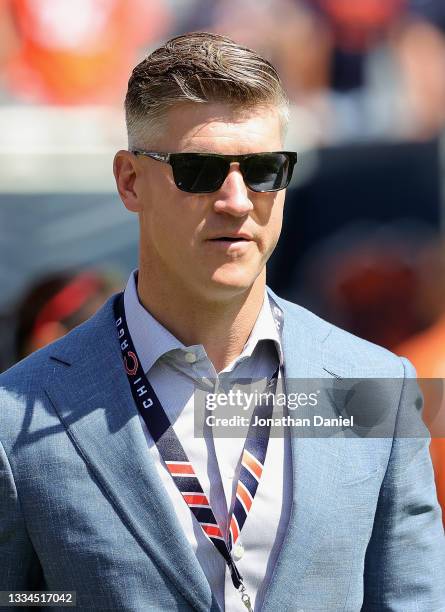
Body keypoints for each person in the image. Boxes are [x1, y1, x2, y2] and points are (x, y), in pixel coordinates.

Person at [0, 32, 444, 612]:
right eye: (199, 170)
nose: (237, 199)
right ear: (130, 181)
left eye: (264, 169)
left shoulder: (373, 383)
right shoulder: (20, 412)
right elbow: (24, 600)